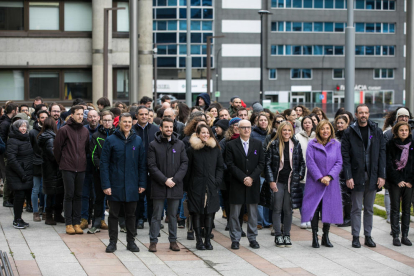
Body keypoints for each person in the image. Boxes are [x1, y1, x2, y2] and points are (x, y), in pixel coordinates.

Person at [100, 113, 147, 253]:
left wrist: (142, 183)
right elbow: (104, 164)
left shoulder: (137, 141)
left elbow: (142, 165)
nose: (127, 124)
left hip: (132, 185)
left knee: (131, 215)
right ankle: (112, 242)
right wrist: (106, 185)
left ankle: (131, 242)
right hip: (115, 185)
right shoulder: (111, 140)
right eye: (124, 122)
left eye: (129, 122)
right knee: (114, 215)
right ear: (119, 123)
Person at [341, 104, 386, 248]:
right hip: (356, 175)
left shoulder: (376, 131)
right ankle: (355, 237)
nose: (363, 115)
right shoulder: (349, 132)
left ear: (369, 114)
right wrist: (348, 176)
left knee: (369, 208)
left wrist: (381, 175)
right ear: (356, 114)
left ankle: (368, 236)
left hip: (372, 175)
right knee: (356, 208)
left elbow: (382, 155)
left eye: (366, 113)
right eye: (361, 113)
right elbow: (345, 156)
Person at [147, 118, 188, 253]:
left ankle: (173, 241)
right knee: (156, 215)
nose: (169, 129)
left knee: (173, 215)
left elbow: (184, 164)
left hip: (175, 185)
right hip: (159, 185)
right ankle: (153, 241)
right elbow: (152, 166)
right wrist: (165, 180)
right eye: (166, 127)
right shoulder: (153, 145)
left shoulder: (180, 144)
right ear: (160, 128)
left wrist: (175, 180)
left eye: (171, 127)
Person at [301, 121, 343, 248]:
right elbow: (310, 162)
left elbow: (339, 162)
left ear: (331, 130)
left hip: (330, 183)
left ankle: (326, 236)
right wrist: (320, 177)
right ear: (318, 130)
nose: (325, 131)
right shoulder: (312, 144)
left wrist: (329, 176)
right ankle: (314, 236)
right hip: (315, 182)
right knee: (315, 208)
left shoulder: (336, 144)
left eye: (328, 129)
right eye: (323, 129)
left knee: (328, 209)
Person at [263, 121, 305, 247]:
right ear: (280, 131)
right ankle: (277, 235)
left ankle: (286, 234)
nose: (287, 132)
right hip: (278, 182)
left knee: (288, 209)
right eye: (284, 130)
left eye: (289, 130)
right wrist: (271, 181)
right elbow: (268, 165)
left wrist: (300, 175)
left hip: (291, 182)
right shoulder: (274, 144)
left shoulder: (296, 144)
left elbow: (302, 163)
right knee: (276, 209)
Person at [225, 120, 265, 250]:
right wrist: (243, 177)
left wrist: (251, 178)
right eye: (243, 128)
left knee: (253, 213)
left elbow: (261, 163)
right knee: (235, 213)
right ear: (238, 129)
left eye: (248, 127)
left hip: (253, 183)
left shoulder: (258, 144)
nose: (246, 130)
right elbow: (230, 164)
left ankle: (252, 238)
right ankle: (235, 238)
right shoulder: (231, 145)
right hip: (237, 182)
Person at [184, 125, 223, 250]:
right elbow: (188, 170)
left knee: (209, 214)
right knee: (196, 213)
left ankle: (207, 240)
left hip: (211, 186)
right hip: (196, 186)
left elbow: (220, 167)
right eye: (203, 132)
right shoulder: (191, 150)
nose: (205, 135)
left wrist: (216, 181)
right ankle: (198, 240)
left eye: (208, 132)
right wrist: (187, 186)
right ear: (198, 134)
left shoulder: (215, 149)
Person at [54, 105, 90, 235]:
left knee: (78, 195)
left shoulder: (85, 131)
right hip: (67, 167)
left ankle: (76, 222)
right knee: (69, 195)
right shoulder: (64, 130)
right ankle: (68, 223)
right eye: (78, 114)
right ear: (72, 115)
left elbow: (86, 149)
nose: (81, 116)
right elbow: (57, 149)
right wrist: (63, 162)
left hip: (81, 167)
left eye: (82, 114)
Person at [382, 107, 413, 224]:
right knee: (392, 200)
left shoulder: (411, 133)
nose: (404, 118)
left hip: (408, 176)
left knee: (407, 207)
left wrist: (410, 179)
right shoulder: (388, 134)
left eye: (406, 116)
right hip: (393, 175)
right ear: (396, 118)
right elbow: (386, 158)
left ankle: (404, 231)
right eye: (401, 116)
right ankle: (391, 220)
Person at [386, 122, 414, 246]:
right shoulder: (390, 145)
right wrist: (397, 180)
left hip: (409, 182)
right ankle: (396, 235)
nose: (404, 132)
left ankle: (405, 235)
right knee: (395, 208)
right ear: (396, 132)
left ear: (409, 132)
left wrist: (410, 181)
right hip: (395, 182)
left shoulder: (412, 144)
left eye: (406, 130)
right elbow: (388, 164)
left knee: (407, 209)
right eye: (401, 130)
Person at [88, 111, 116, 234]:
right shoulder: (96, 136)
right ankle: (96, 223)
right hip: (99, 173)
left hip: (115, 173)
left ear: (113, 121)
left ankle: (120, 223)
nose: (107, 122)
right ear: (101, 121)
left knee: (116, 199)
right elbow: (93, 155)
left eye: (109, 120)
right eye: (105, 120)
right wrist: (101, 167)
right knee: (99, 199)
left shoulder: (117, 135)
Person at [133, 106, 159, 230]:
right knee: (138, 198)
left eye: (146, 114)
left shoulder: (155, 129)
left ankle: (153, 225)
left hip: (152, 169)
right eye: (141, 114)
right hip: (136, 169)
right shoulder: (132, 130)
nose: (144, 116)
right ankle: (138, 220)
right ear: (136, 116)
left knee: (151, 199)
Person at [38, 117, 65, 226]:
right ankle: (50, 216)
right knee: (52, 193)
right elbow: (53, 155)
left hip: (49, 169)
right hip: (52, 169)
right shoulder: (50, 138)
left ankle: (56, 214)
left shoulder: (45, 136)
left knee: (54, 193)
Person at [7, 120, 33, 229]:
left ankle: (19, 218)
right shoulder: (13, 140)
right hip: (17, 173)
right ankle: (16, 219)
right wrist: (22, 173)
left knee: (22, 196)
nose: (23, 128)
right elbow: (12, 159)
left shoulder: (27, 138)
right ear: (16, 128)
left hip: (25, 172)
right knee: (19, 196)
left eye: (25, 126)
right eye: (21, 127)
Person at [80, 110, 101, 230]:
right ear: (87, 119)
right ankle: (84, 218)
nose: (93, 119)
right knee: (84, 193)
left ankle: (100, 218)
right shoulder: (83, 130)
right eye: (90, 117)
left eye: (95, 116)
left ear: (98, 117)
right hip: (85, 166)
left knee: (98, 195)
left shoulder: (102, 130)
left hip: (98, 167)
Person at [295, 115, 316, 229]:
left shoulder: (316, 137)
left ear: (312, 124)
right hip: (302, 171)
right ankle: (304, 218)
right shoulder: (297, 136)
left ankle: (310, 217)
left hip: (314, 172)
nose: (307, 124)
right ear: (302, 124)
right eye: (305, 122)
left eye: (309, 122)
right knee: (303, 196)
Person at [29, 110, 48, 222]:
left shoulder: (50, 130)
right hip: (36, 163)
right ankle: (35, 212)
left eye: (46, 117)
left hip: (46, 163)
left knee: (45, 189)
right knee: (36, 189)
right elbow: (30, 148)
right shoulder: (32, 132)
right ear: (38, 119)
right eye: (42, 117)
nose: (44, 119)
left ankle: (45, 211)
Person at [0, 102, 19, 207]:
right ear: (13, 111)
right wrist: (7, 152)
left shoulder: (8, 122)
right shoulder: (5, 123)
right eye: (17, 109)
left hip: (8, 152)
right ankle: (6, 199)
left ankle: (9, 198)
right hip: (6, 154)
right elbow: (2, 140)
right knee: (7, 176)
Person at [335, 115, 351, 227]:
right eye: (338, 123)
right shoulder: (334, 135)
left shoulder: (349, 135)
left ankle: (348, 217)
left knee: (346, 194)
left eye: (342, 123)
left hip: (346, 167)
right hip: (336, 167)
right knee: (338, 193)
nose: (340, 125)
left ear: (347, 124)